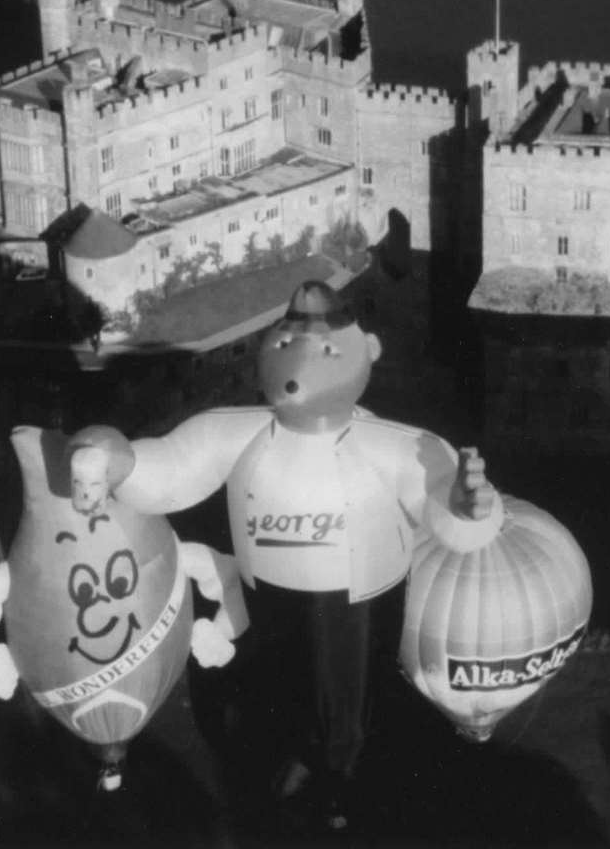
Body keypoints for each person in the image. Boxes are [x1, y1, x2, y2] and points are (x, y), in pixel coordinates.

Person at [70, 281, 498, 832]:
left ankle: (340, 784)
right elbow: (172, 470)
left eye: (325, 350)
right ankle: (311, 762)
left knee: (349, 699)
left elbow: (440, 501)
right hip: (267, 587)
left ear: (367, 354)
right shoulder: (236, 432)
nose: (296, 366)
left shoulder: (393, 445)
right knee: (280, 682)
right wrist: (117, 458)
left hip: (356, 594)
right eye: (282, 343)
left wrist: (467, 507)